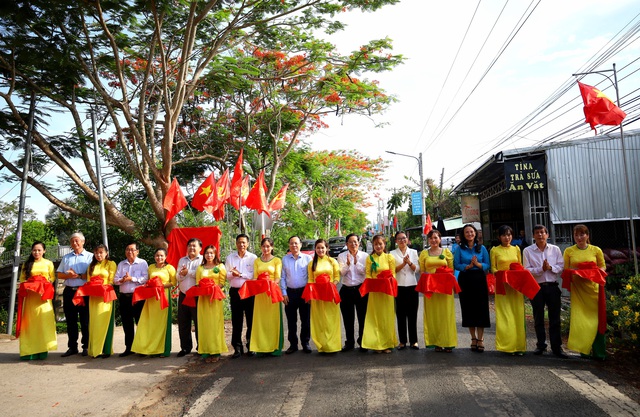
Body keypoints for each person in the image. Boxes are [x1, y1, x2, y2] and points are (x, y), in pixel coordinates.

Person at [562, 224, 607, 360]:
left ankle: (599, 352)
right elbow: (566, 270)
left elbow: (603, 266)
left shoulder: (596, 250)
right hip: (578, 290)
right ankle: (584, 350)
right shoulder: (569, 251)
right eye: (576, 235)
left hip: (594, 290)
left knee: (596, 319)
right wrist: (578, 272)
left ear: (587, 235)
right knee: (581, 320)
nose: (579, 237)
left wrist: (592, 272)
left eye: (582, 234)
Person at [523, 225, 567, 358]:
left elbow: (561, 266)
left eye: (542, 232)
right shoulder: (527, 251)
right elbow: (526, 270)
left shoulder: (555, 249)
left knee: (555, 318)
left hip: (553, 286)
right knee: (538, 317)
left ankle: (556, 347)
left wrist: (550, 267)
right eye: (537, 233)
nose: (540, 235)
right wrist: (541, 269)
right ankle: (540, 345)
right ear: (533, 236)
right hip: (536, 287)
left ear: (547, 235)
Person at [131, 248, 177, 357]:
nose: (159, 258)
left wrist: (160, 286)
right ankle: (149, 348)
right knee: (149, 323)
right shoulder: (151, 267)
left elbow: (173, 282)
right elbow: (147, 280)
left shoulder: (170, 268)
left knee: (162, 324)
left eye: (161, 256)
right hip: (151, 298)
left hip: (163, 297)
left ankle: (163, 350)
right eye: (157, 255)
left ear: (166, 257)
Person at [418, 230, 457, 353]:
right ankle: (436, 342)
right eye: (431, 238)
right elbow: (422, 272)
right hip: (431, 288)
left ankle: (448, 342)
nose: (433, 240)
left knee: (446, 314)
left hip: (445, 288)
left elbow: (451, 270)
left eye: (436, 238)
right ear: (428, 240)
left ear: (440, 239)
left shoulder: (447, 252)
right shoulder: (424, 253)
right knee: (433, 315)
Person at [491, 225, 527, 355]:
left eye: (509, 234)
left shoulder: (516, 249)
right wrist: (503, 274)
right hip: (503, 287)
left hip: (516, 288)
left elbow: (520, 266)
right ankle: (507, 346)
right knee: (505, 316)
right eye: (504, 235)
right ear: (499, 237)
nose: (507, 237)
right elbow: (493, 269)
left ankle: (519, 346)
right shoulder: (495, 251)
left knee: (517, 315)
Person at [17, 241, 57, 360]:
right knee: (30, 325)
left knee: (42, 323)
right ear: (31, 251)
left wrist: (43, 285)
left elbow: (52, 278)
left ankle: (42, 350)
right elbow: (22, 280)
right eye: (34, 250)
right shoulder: (26, 264)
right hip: (30, 298)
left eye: (39, 250)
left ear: (44, 251)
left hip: (43, 298)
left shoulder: (48, 263)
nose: (37, 252)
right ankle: (28, 351)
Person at [454, 224, 490, 353]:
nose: (469, 234)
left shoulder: (482, 248)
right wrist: (467, 266)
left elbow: (487, 265)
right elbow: (456, 264)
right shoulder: (459, 249)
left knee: (481, 308)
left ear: (475, 233)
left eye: (471, 232)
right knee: (468, 308)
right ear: (463, 235)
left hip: (479, 279)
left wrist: (477, 264)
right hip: (465, 279)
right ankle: (473, 338)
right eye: (467, 232)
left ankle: (481, 339)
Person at [57, 232, 93, 357]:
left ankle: (86, 346)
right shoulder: (66, 257)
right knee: (70, 320)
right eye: (72, 241)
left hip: (84, 291)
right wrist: (68, 275)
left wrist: (78, 275)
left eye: (77, 241)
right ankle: (72, 347)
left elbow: (94, 274)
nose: (75, 243)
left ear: (83, 242)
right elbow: (59, 274)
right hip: (69, 291)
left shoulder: (90, 257)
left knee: (85, 320)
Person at [361, 234, 398, 353]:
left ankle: (387, 344)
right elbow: (368, 274)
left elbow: (393, 274)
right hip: (375, 292)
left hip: (387, 292)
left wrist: (387, 281)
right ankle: (376, 344)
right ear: (373, 245)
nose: (378, 246)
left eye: (380, 244)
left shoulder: (389, 258)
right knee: (375, 318)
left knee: (386, 317)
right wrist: (371, 283)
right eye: (376, 244)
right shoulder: (369, 258)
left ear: (384, 245)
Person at [305, 239, 341, 353]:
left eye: (322, 248)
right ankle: (322, 345)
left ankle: (333, 345)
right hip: (317, 295)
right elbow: (310, 279)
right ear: (315, 249)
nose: (320, 250)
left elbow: (337, 277)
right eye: (318, 248)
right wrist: (310, 295)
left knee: (331, 319)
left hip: (330, 293)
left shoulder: (332, 261)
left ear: (327, 248)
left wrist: (331, 286)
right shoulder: (312, 263)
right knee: (319, 320)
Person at [248, 237, 283, 356]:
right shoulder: (257, 261)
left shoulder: (277, 260)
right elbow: (255, 277)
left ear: (272, 247)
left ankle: (273, 346)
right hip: (260, 294)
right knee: (260, 321)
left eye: (268, 246)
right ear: (261, 247)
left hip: (272, 292)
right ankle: (261, 347)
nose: (266, 248)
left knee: (272, 320)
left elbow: (277, 277)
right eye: (264, 246)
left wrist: (272, 284)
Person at [81, 244, 117, 358]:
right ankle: (95, 349)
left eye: (101, 252)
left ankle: (106, 349)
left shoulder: (111, 264)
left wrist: (102, 286)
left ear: (106, 253)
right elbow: (88, 281)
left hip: (106, 295)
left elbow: (112, 281)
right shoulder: (91, 265)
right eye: (96, 253)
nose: (99, 255)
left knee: (104, 321)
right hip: (94, 297)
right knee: (94, 323)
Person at [113, 242, 148, 357]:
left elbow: (145, 278)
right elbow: (115, 279)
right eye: (127, 249)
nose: (130, 252)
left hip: (138, 297)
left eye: (132, 250)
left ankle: (142, 347)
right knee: (127, 323)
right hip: (124, 297)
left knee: (140, 322)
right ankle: (129, 347)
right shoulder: (121, 264)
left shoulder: (142, 263)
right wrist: (122, 280)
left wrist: (131, 278)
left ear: (137, 251)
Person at [225, 233, 257, 358]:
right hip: (235, 291)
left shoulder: (253, 258)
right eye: (239, 242)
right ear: (236, 243)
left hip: (249, 290)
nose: (241, 245)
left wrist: (240, 274)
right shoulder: (230, 258)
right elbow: (226, 274)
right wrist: (233, 274)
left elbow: (254, 276)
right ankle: (237, 347)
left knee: (251, 319)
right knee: (236, 320)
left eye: (244, 242)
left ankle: (251, 346)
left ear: (248, 244)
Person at [194, 245, 227, 362]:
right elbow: (198, 283)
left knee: (215, 324)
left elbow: (222, 282)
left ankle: (216, 351)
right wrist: (204, 288)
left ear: (215, 254)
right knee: (204, 324)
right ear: (204, 255)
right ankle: (206, 350)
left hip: (215, 299)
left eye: (211, 253)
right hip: (203, 299)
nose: (209, 255)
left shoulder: (220, 267)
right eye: (207, 253)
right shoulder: (200, 268)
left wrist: (213, 288)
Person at [281, 236, 313, 354]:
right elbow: (282, 277)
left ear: (300, 245)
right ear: (289, 245)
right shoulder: (285, 259)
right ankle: (293, 344)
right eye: (291, 243)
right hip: (290, 292)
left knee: (305, 319)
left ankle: (305, 343)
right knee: (291, 320)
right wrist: (283, 293)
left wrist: (309, 294)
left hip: (304, 292)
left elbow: (311, 277)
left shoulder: (308, 258)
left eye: (296, 243)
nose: (294, 245)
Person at [337, 233, 368, 352]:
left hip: (361, 289)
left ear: (359, 243)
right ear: (346, 244)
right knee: (348, 318)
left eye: (355, 241)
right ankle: (349, 342)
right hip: (346, 289)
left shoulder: (365, 256)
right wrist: (348, 264)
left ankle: (362, 342)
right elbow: (342, 273)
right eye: (350, 242)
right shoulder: (341, 256)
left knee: (362, 317)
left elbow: (365, 272)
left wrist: (356, 263)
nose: (353, 244)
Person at [390, 231, 420, 350]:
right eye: (399, 239)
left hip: (412, 286)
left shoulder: (413, 252)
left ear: (407, 239)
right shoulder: (392, 253)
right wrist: (403, 264)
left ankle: (414, 341)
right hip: (399, 286)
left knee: (412, 314)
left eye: (404, 238)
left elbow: (417, 269)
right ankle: (402, 341)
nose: (402, 241)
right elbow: (392, 270)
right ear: (396, 241)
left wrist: (409, 263)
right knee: (400, 314)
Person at [176, 238, 203, 357]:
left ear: (200, 248)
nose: (191, 248)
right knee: (183, 322)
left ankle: (201, 347)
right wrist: (181, 275)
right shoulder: (182, 260)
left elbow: (200, 275)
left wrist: (188, 272)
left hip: (196, 295)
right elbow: (177, 276)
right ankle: (185, 347)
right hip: (183, 294)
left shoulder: (203, 259)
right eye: (189, 246)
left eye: (194, 246)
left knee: (198, 322)